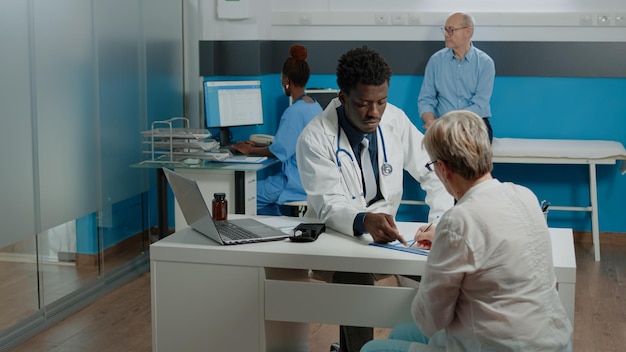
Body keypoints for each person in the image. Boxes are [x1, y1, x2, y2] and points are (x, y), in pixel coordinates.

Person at [360, 110, 573, 352]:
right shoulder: (523, 194)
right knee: (401, 332)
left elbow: (430, 321)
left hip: (500, 346)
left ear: (443, 168)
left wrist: (443, 245)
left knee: (371, 348)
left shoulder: (458, 221)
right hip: (552, 340)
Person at [296, 46, 454, 352]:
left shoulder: (394, 120)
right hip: (337, 239)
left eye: (381, 102)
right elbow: (329, 204)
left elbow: (434, 171)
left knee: (442, 272)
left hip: (390, 241)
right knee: (354, 280)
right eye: (364, 104)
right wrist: (363, 220)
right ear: (342, 98)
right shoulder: (315, 138)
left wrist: (439, 222)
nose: (375, 113)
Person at [232, 44, 323, 216]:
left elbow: (279, 150)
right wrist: (258, 144)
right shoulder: (314, 105)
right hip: (309, 180)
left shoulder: (294, 112)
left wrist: (249, 149)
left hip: (293, 182)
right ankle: (275, 229)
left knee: (243, 192)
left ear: (287, 81)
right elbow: (291, 143)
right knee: (261, 201)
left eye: (282, 79)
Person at [417, 12, 495, 142]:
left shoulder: (485, 63)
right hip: (443, 125)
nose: (446, 35)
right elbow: (426, 99)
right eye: (445, 30)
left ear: (467, 32)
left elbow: (480, 105)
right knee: (442, 149)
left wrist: (451, 123)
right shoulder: (436, 61)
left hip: (474, 124)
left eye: (451, 30)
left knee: (465, 150)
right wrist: (430, 121)